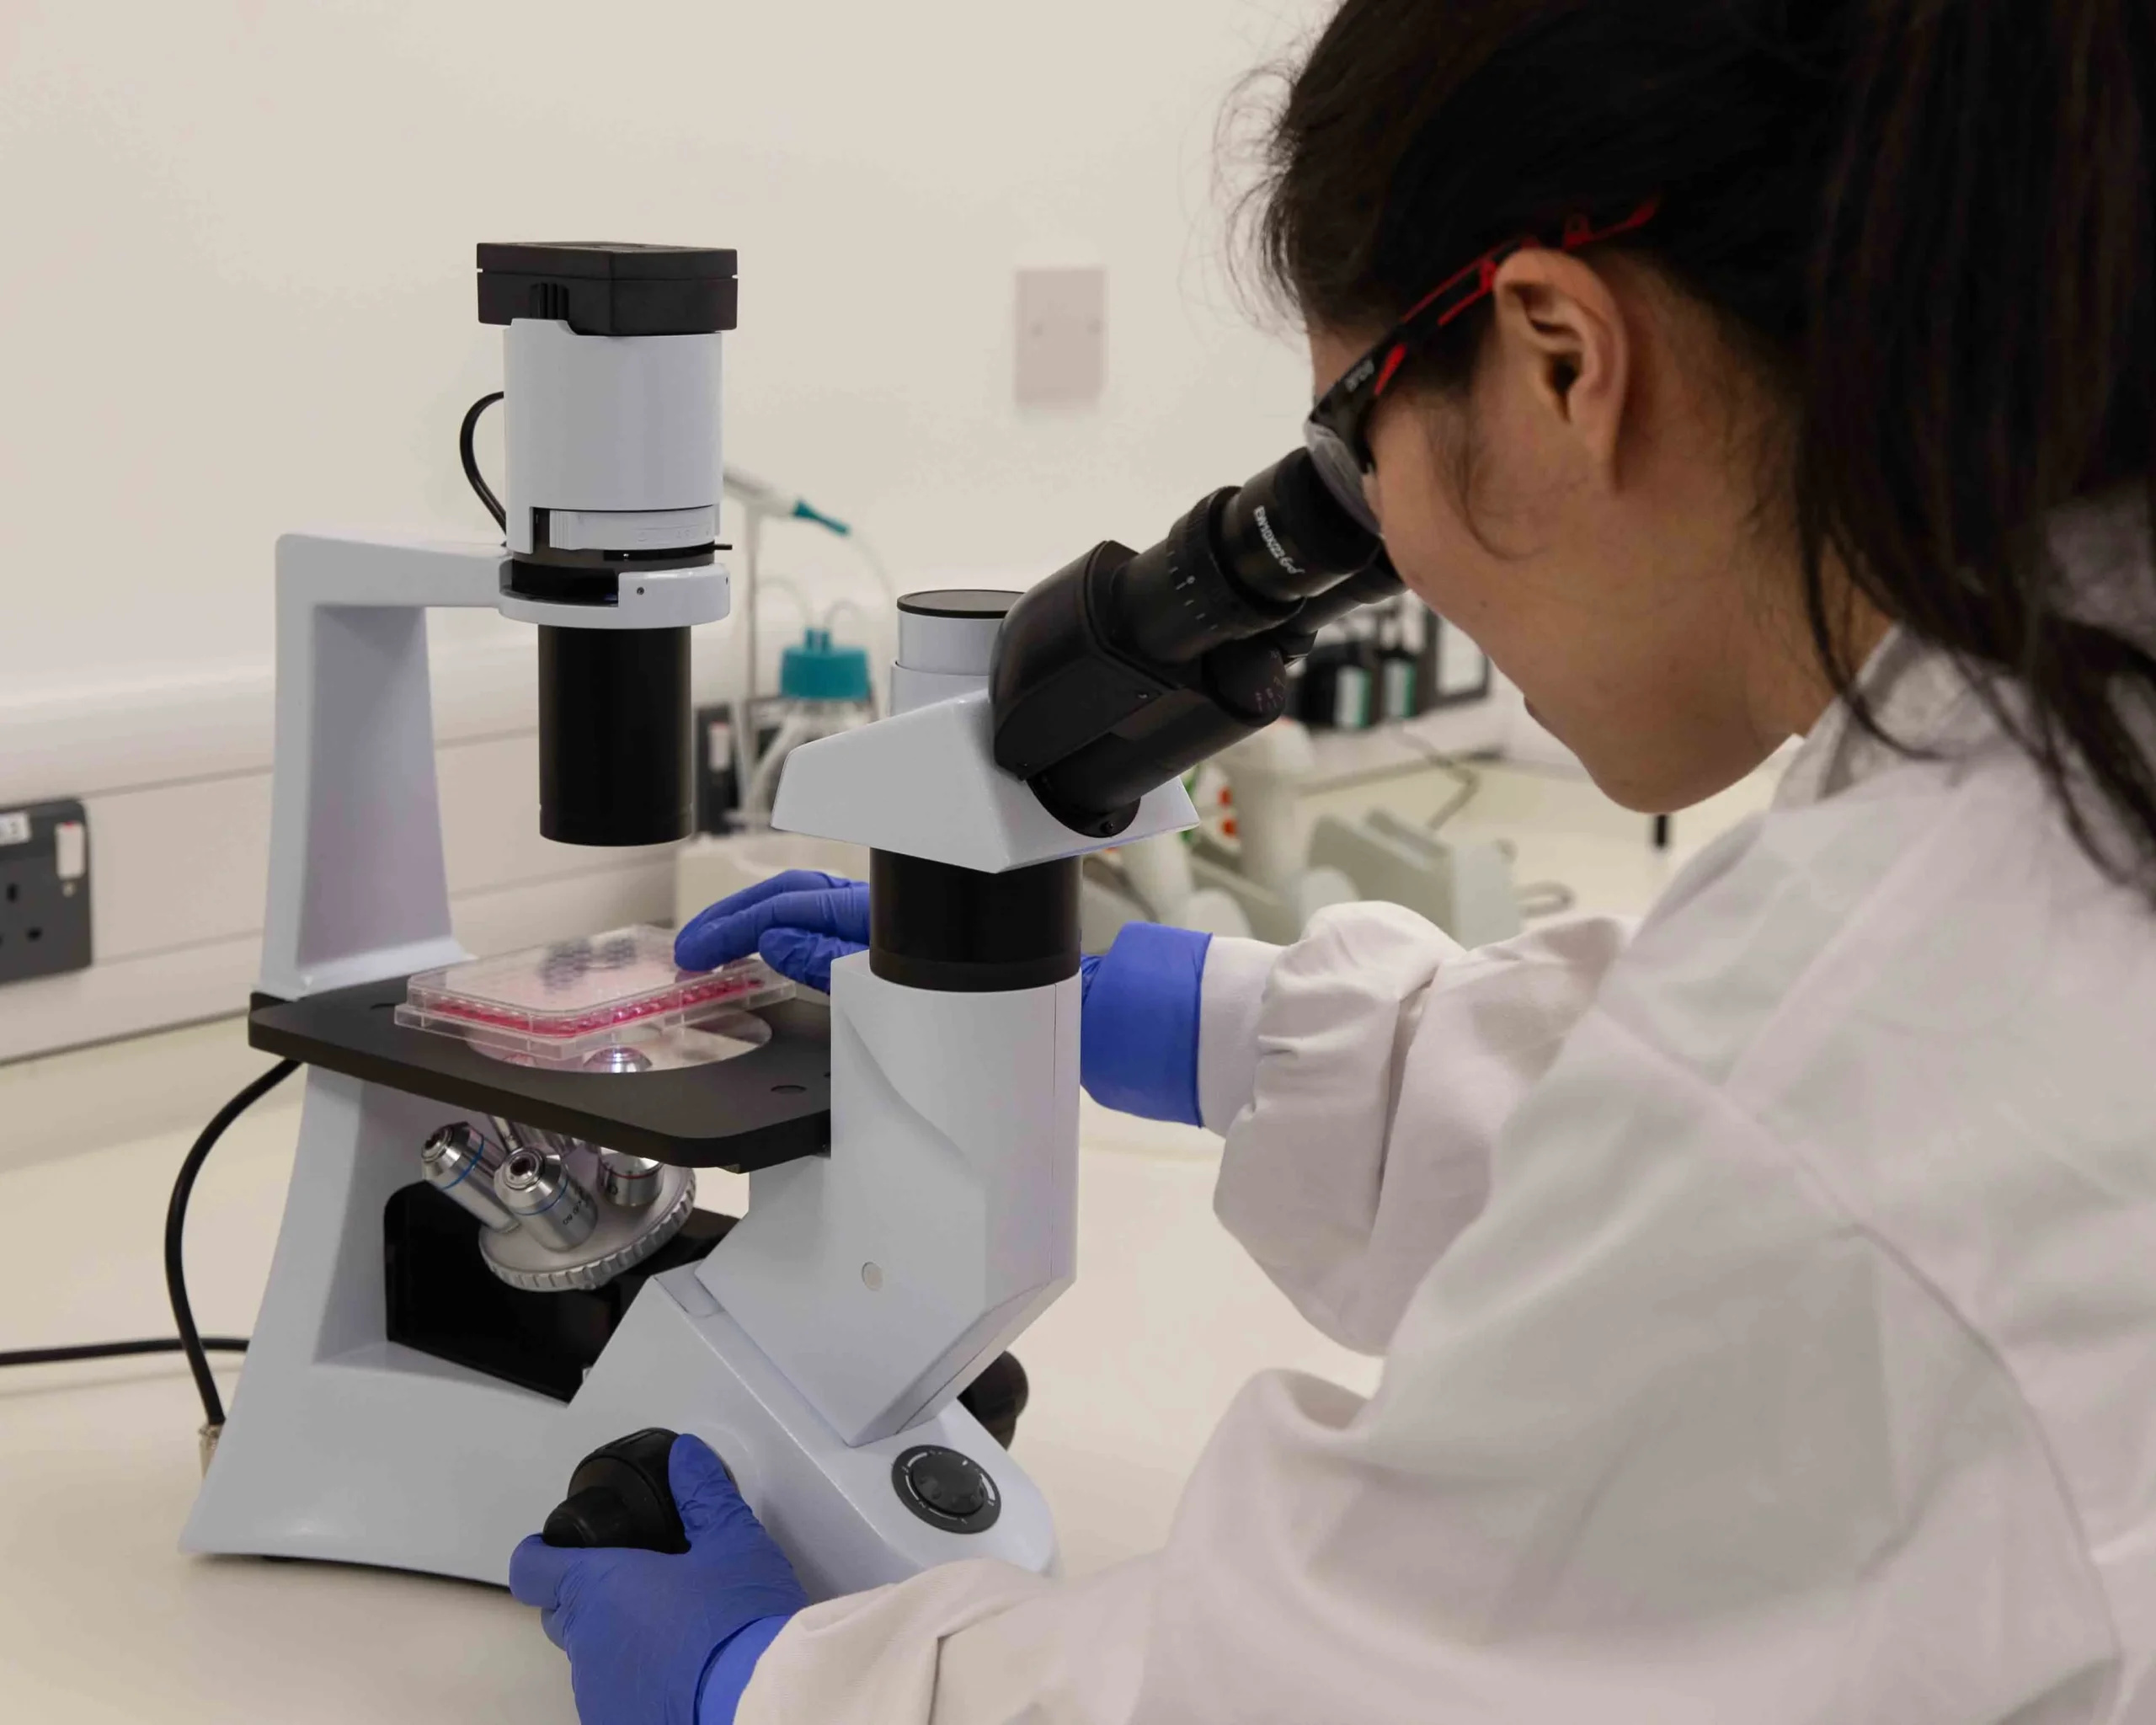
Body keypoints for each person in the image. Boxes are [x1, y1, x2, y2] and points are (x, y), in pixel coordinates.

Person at [509, 0, 2156, 1717]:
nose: (1385, 555)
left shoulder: (1849, 1068)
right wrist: (1191, 1013)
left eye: (1347, 462)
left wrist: (773, 1683)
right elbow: (1749, 1182)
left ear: (1558, 357)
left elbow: (1348, 1675)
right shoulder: (2039, 771)